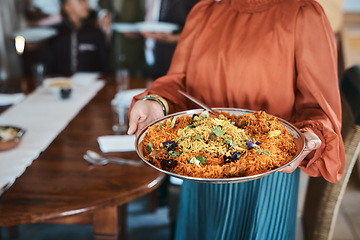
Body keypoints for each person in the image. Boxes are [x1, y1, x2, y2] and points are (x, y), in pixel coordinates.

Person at [127, 0, 345, 239]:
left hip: (267, 177)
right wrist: (157, 102)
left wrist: (310, 136)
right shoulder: (204, 12)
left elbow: (317, 107)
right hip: (201, 170)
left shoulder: (303, 14)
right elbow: (178, 83)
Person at [39, 0, 108, 75]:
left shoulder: (95, 32)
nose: (86, 4)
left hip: (93, 84)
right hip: (60, 84)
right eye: (80, 1)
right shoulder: (53, 35)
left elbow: (105, 67)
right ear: (66, 7)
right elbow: (46, 69)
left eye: (86, 1)